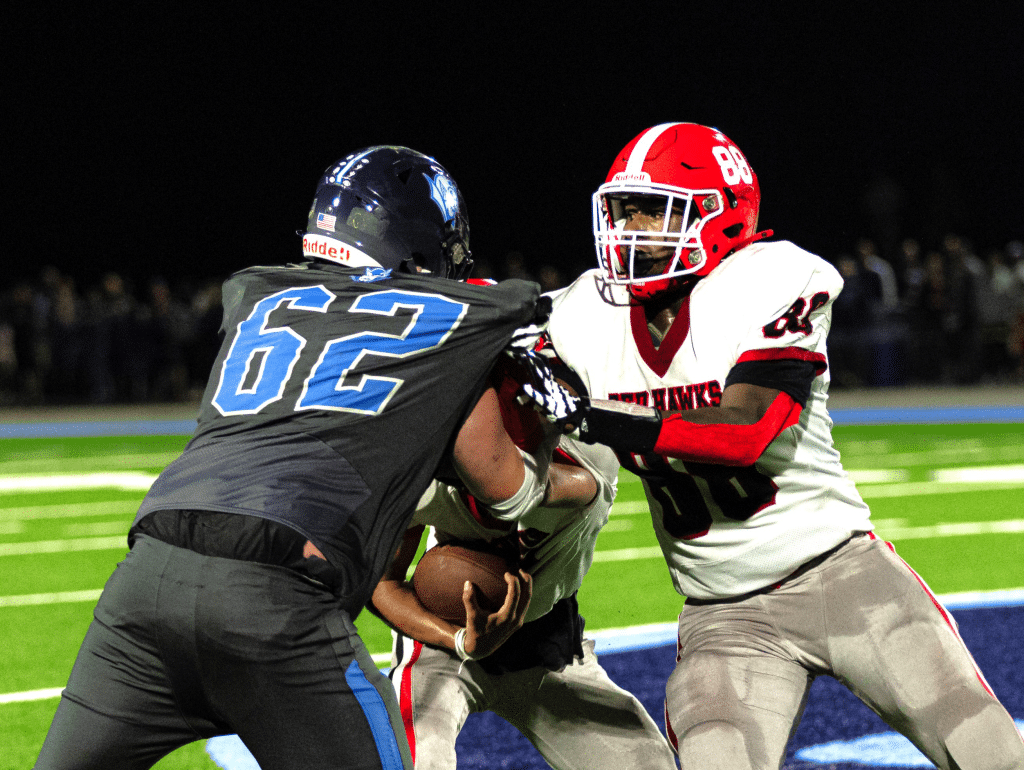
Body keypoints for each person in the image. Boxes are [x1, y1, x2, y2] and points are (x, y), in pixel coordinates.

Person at [518, 122, 1024, 770]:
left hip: (842, 575)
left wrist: (597, 418)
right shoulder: (586, 312)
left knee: (990, 754)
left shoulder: (771, 279)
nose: (633, 231)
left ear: (719, 215)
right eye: (625, 211)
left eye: (656, 211)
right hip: (722, 615)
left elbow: (744, 431)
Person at [35, 146, 548, 770]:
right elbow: (506, 488)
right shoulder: (459, 315)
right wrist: (579, 478)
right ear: (413, 240)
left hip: (146, 584)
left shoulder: (252, 292)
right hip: (275, 598)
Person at [371, 355, 678, 770]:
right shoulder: (419, 467)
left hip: (546, 639)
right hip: (443, 641)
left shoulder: (586, 465)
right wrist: (458, 640)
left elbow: (540, 489)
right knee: (414, 760)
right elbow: (383, 583)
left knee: (646, 764)